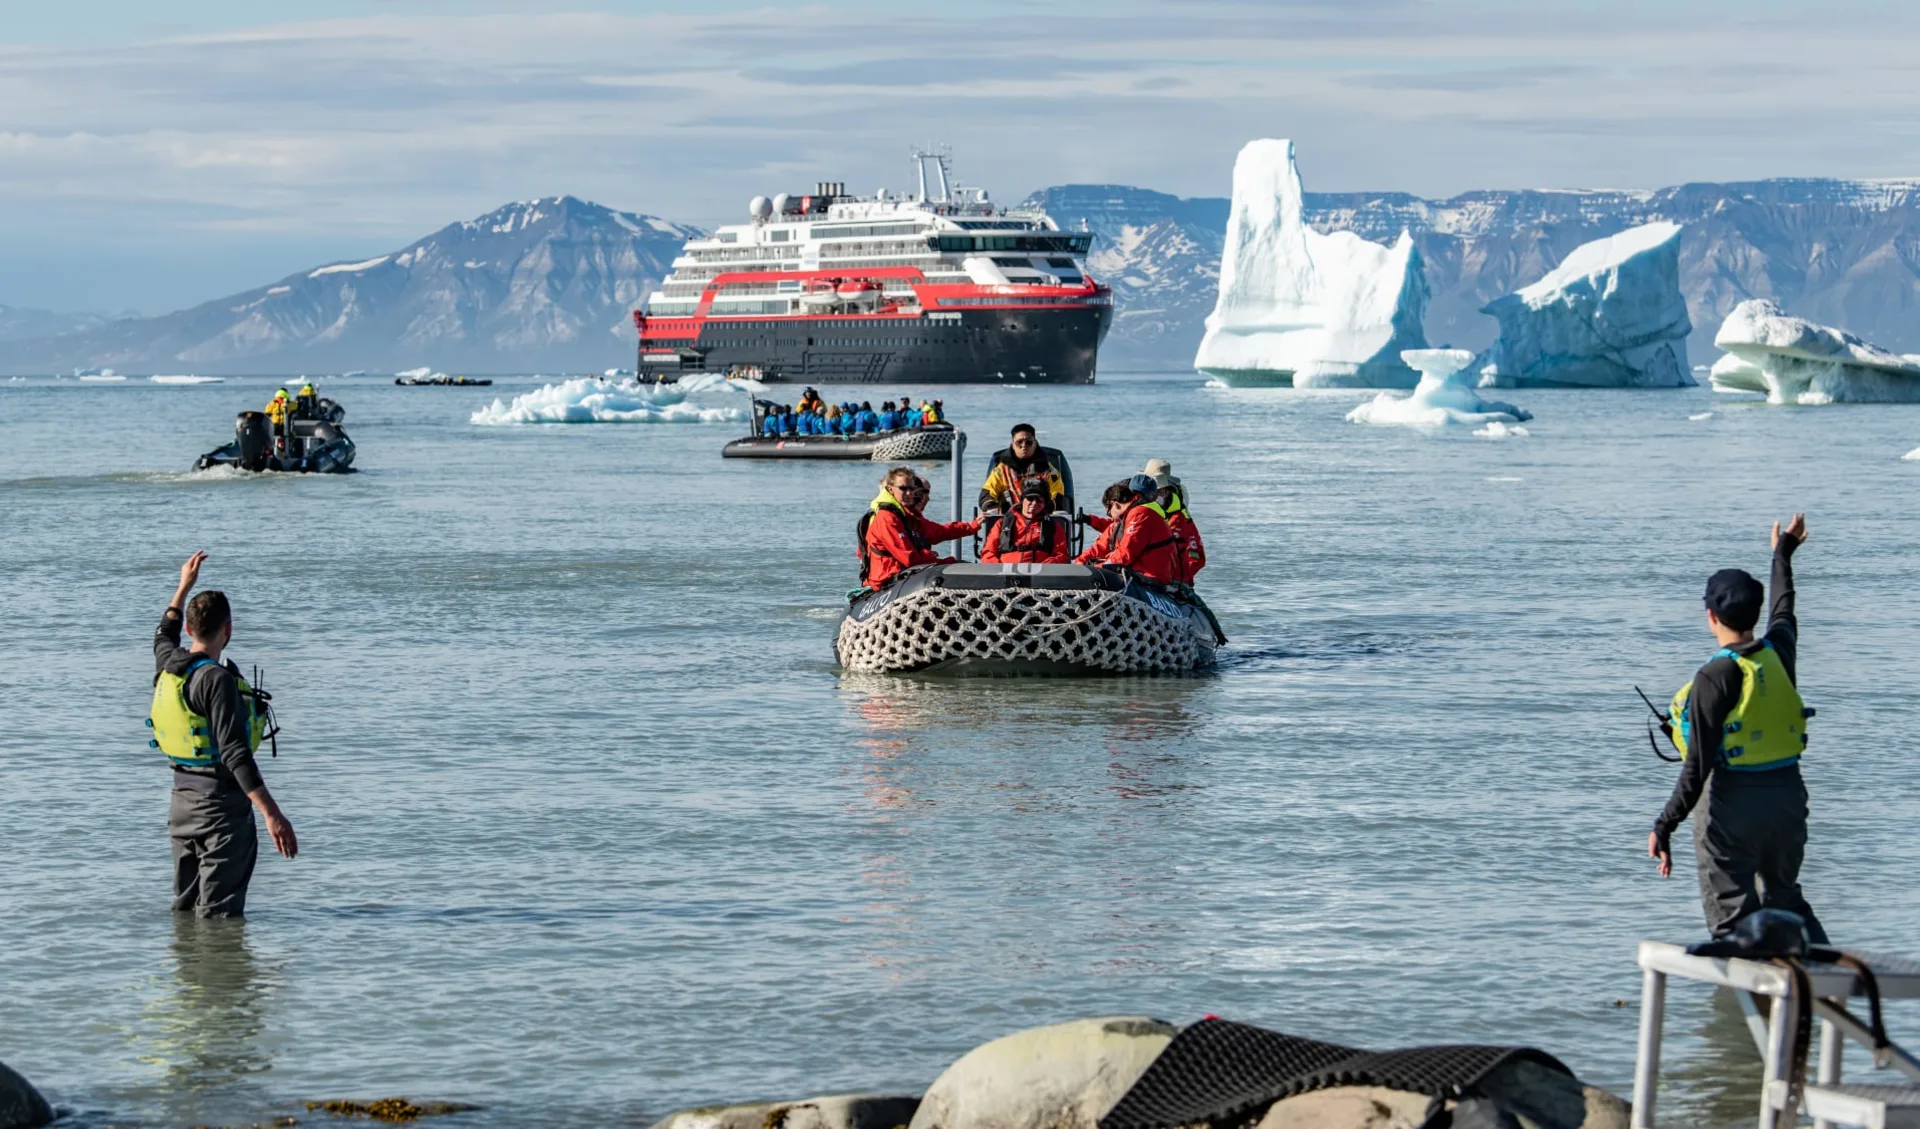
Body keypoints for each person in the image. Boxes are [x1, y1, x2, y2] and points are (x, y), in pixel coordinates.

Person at [1648, 514, 1826, 944]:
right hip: (1786, 801)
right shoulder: (1779, 651)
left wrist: (1664, 825)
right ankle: (1830, 989)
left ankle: (1760, 1005)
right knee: (1786, 903)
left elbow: (1697, 767)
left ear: (1710, 616)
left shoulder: (1714, 678)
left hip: (1732, 807)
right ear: (1755, 612)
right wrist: (1782, 553)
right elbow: (1786, 604)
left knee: (1733, 927)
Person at [151, 551, 298, 917]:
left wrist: (183, 586)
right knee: (219, 919)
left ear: (189, 629)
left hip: (181, 805)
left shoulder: (168, 664)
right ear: (228, 630)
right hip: (221, 812)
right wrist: (272, 813)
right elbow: (235, 754)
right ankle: (219, 974)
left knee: (186, 912)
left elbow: (162, 631)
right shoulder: (217, 680)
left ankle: (185, 971)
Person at [857, 467, 978, 589]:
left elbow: (938, 531)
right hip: (887, 579)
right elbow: (909, 558)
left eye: (911, 488)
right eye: (903, 488)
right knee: (949, 566)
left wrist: (971, 527)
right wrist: (932, 557)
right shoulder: (887, 518)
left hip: (904, 574)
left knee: (960, 567)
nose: (909, 493)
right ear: (890, 489)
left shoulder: (907, 516)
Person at [1075, 476, 1181, 584]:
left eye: (1109, 513)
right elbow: (1102, 545)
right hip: (1138, 572)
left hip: (1150, 576)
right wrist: (1080, 562)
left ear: (1115, 504)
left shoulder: (1140, 514)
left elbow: (1127, 552)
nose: (1111, 517)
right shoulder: (1124, 518)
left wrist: (1098, 568)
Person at [978, 423, 1065, 513]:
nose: (1024, 445)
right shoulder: (1001, 471)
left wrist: (1037, 509)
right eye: (1019, 442)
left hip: (1040, 519)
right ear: (1012, 444)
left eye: (1028, 442)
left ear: (1035, 443)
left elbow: (1057, 498)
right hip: (1008, 521)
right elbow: (986, 495)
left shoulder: (1049, 472)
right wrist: (993, 507)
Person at [981, 478, 1072, 565]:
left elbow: (1061, 555)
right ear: (1022, 500)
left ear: (1045, 504)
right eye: (1030, 499)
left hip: (1041, 575)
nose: (1034, 503)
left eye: (1039, 500)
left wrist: (1043, 569)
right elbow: (988, 554)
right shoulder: (1001, 524)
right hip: (1005, 574)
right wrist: (1000, 571)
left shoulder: (1053, 526)